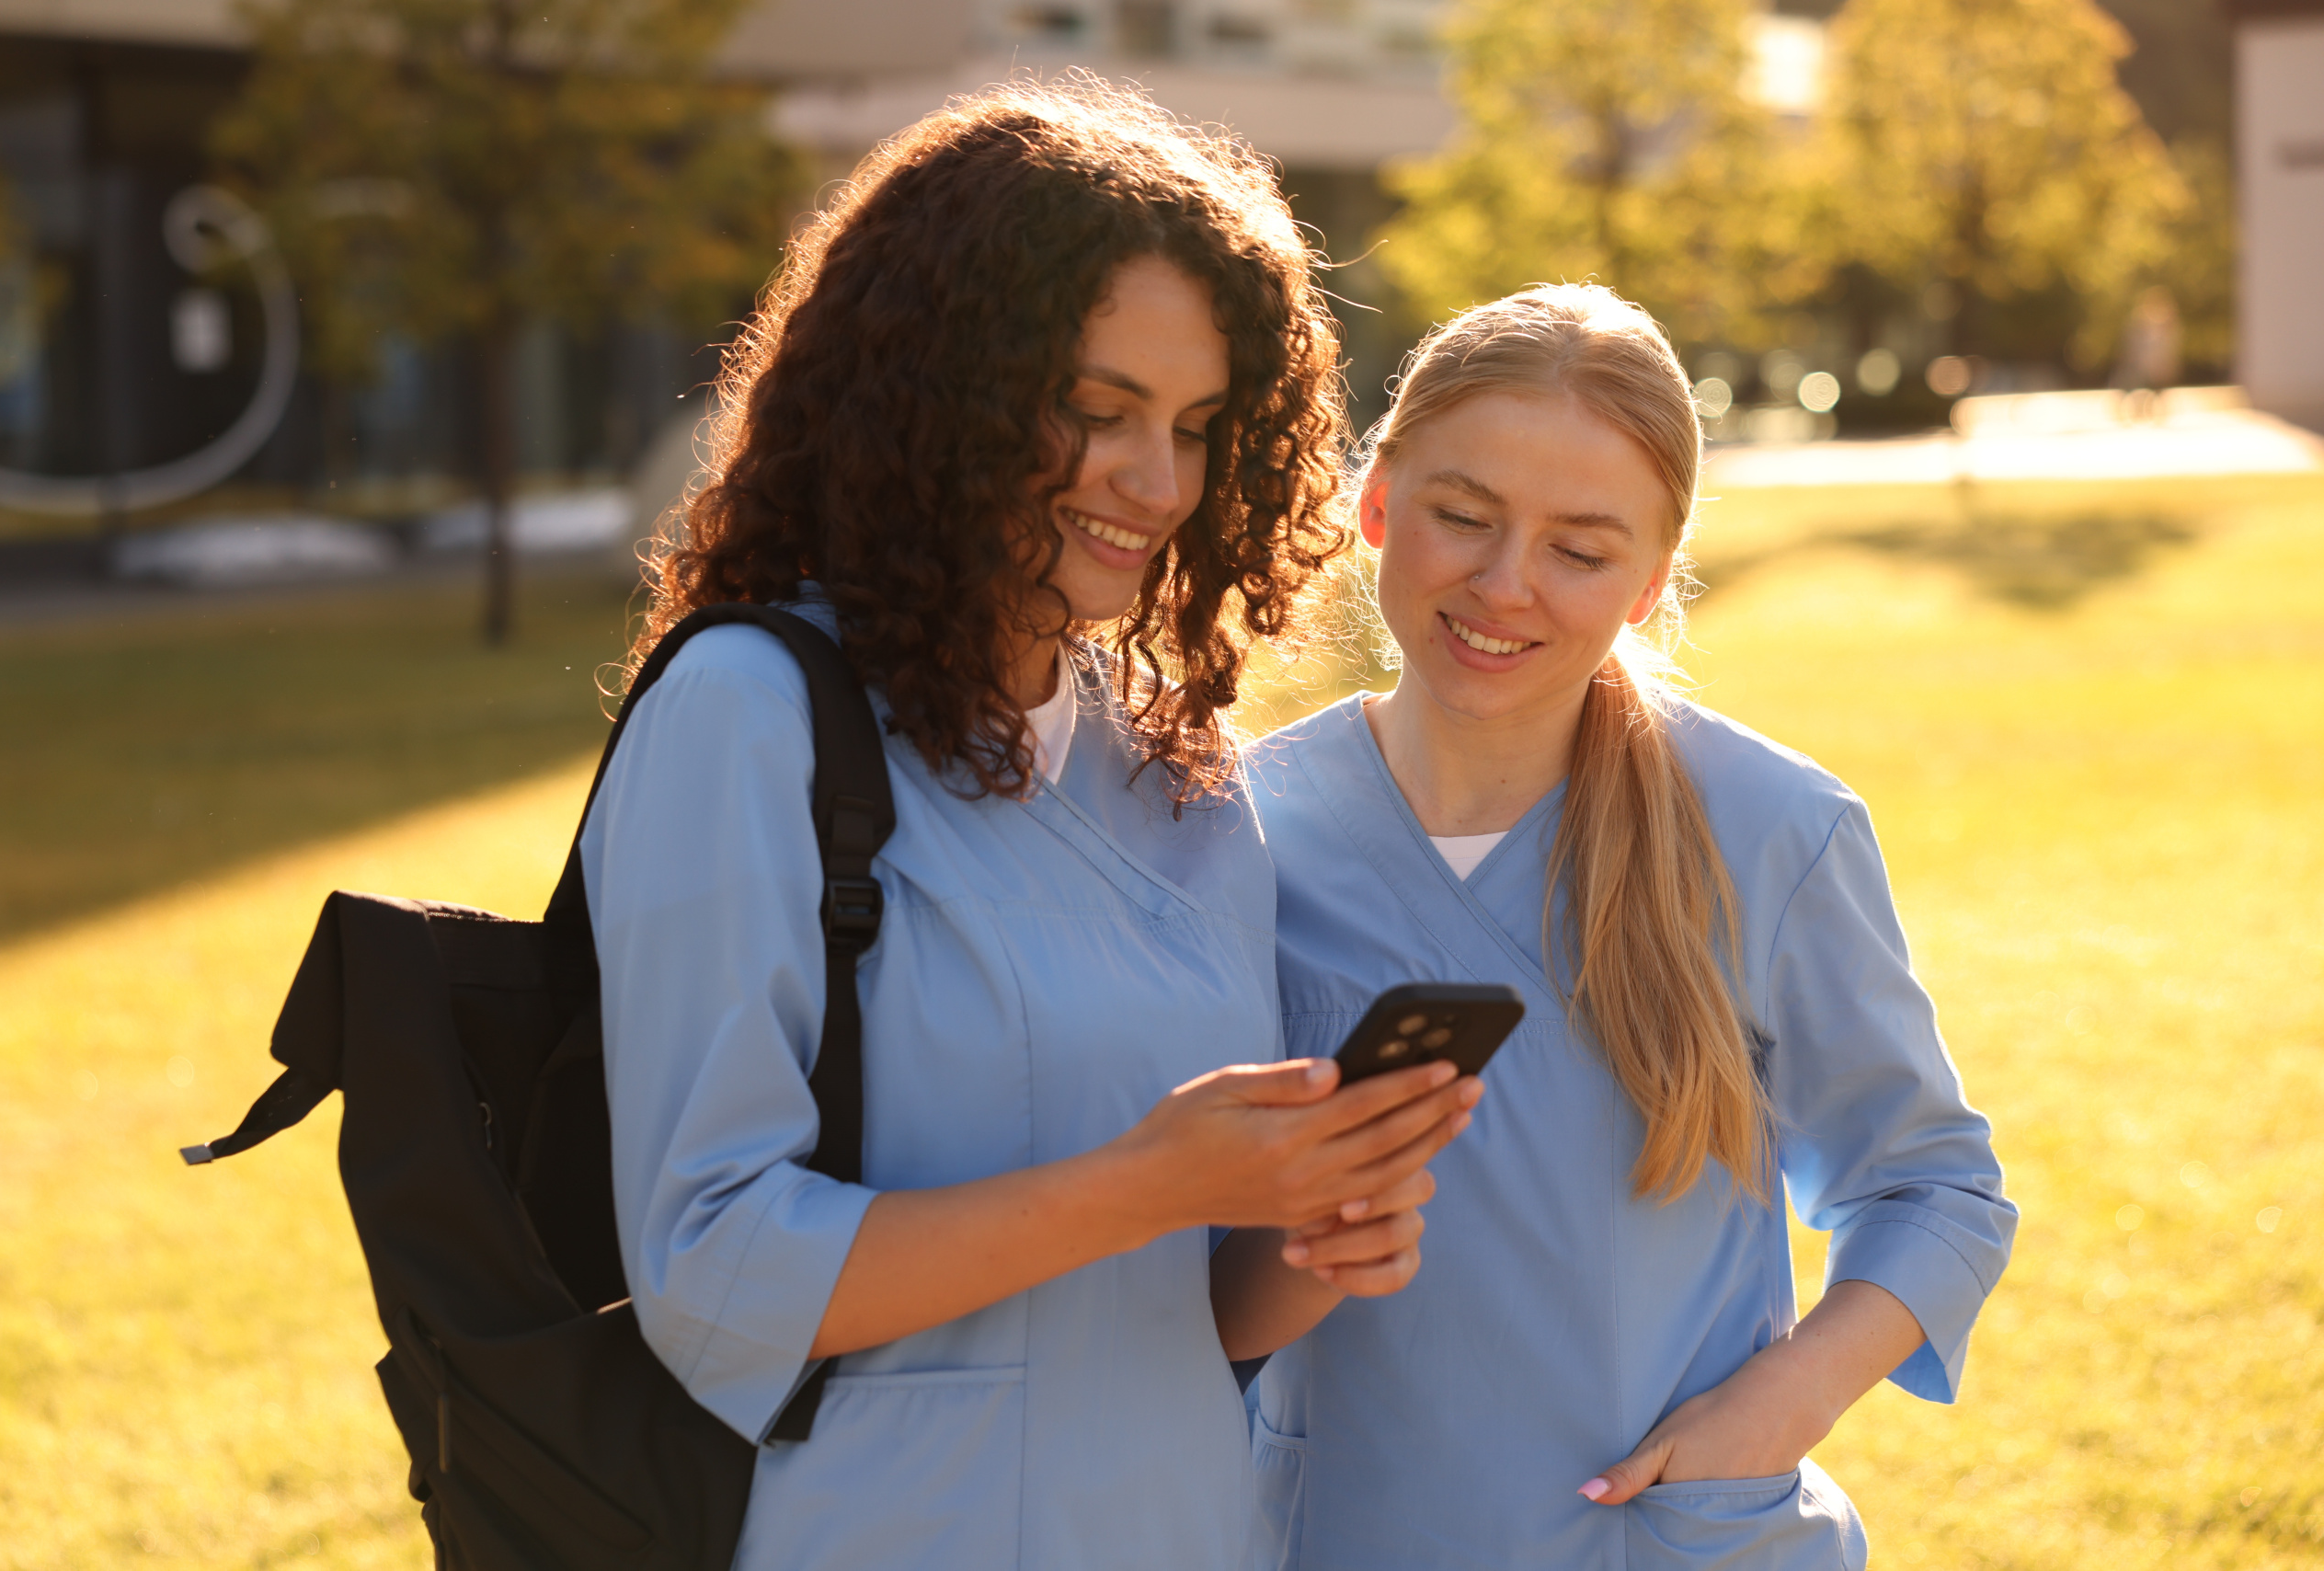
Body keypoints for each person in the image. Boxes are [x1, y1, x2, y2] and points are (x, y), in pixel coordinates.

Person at [578, 82, 1482, 1571]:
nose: (1159, 482)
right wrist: (1149, 1181)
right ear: (940, 391)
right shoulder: (750, 716)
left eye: (1196, 427)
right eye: (1098, 410)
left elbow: (1190, 1312)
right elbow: (710, 1267)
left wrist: (1312, 1242)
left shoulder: (1179, 776)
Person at [1244, 284, 2018, 1569]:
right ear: (1376, 502)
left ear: (1654, 582)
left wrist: (1775, 1413)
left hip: (1668, 1544)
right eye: (1462, 516)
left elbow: (1935, 1190)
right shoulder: (1240, 831)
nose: (1505, 586)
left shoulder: (1770, 829)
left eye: (1581, 550)